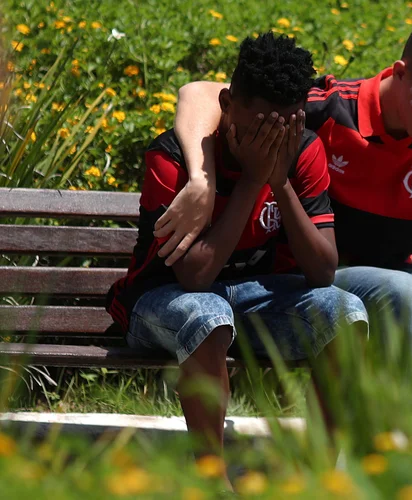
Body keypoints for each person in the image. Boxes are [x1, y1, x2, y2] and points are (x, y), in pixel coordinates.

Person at [161, 11, 412, 378]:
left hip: (407, 293)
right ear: (401, 74)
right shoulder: (333, 109)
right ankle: (386, 441)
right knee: (402, 290)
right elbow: (199, 93)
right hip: (320, 290)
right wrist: (201, 178)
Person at [105, 32, 368, 485]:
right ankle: (213, 482)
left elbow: (323, 270)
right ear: (226, 104)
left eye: (285, 126)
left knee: (346, 312)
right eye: (260, 126)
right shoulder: (171, 160)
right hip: (160, 302)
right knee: (209, 314)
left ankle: (321, 478)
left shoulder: (303, 151)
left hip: (250, 302)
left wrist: (279, 182)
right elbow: (194, 276)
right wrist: (251, 182)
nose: (272, 138)